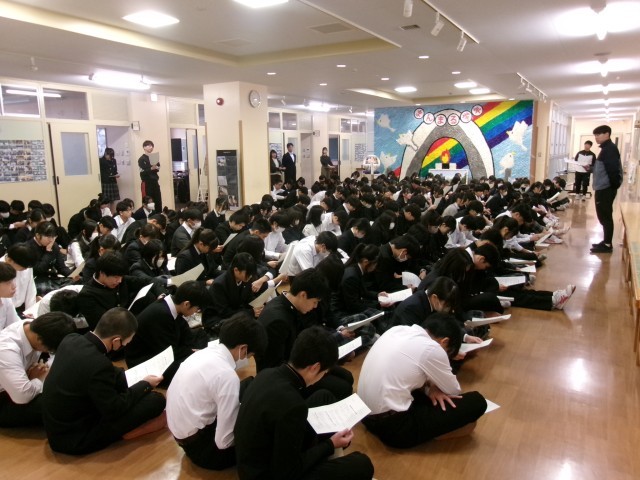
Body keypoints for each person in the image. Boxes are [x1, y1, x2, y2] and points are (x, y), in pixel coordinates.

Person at [234, 326, 375, 480]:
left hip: (254, 459)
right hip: (268, 474)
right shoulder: (293, 405)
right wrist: (330, 444)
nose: (324, 376)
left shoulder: (267, 374)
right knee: (362, 465)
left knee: (323, 396)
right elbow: (288, 472)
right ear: (315, 368)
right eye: (325, 372)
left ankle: (329, 446)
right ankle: (332, 446)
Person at [42, 308, 166, 455]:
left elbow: (107, 373)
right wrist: (145, 384)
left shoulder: (71, 339)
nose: (125, 346)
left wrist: (135, 379)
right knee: (156, 400)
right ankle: (126, 434)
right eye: (126, 342)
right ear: (116, 340)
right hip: (75, 437)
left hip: (57, 425)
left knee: (126, 386)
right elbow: (115, 408)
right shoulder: (98, 364)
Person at [358, 314, 487, 448]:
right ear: (444, 342)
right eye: (448, 354)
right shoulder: (432, 348)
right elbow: (453, 390)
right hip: (394, 429)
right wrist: (434, 386)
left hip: (364, 416)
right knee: (477, 401)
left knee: (424, 393)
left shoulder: (397, 330)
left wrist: (431, 387)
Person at [166, 313, 267, 470]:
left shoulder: (204, 353)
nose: (248, 360)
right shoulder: (227, 376)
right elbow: (223, 442)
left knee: (249, 386)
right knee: (263, 434)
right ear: (243, 349)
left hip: (182, 434)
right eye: (250, 355)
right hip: (205, 450)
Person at [125, 281, 210, 385]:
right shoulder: (160, 314)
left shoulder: (171, 305)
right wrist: (191, 352)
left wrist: (191, 351)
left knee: (201, 335)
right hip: (145, 360)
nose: (196, 312)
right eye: (197, 309)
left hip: (164, 346)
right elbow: (167, 352)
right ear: (186, 304)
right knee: (190, 367)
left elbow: (184, 331)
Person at [0, 312, 76, 427]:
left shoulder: (35, 328)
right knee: (60, 404)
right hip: (5, 397)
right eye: (50, 350)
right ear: (40, 340)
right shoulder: (6, 349)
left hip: (19, 384)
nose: (50, 352)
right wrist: (38, 379)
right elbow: (22, 396)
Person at [590, 125, 623, 254]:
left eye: (598, 134)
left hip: (605, 189)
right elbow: (602, 168)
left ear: (607, 134)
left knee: (605, 216)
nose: (596, 137)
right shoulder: (606, 148)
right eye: (595, 135)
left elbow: (613, 171)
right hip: (603, 187)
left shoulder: (609, 149)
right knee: (603, 216)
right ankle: (605, 241)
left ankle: (607, 244)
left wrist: (612, 186)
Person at [0, 243, 37, 311]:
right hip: (4, 309)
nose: (25, 269)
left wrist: (30, 310)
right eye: (23, 267)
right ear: (9, 260)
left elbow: (30, 289)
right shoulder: (1, 268)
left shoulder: (25, 265)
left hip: (21, 307)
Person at [138, 140, 163, 212]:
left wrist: (156, 167)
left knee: (158, 200)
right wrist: (151, 168)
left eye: (152, 146)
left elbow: (158, 168)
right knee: (148, 201)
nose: (151, 147)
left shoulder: (154, 157)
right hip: (147, 183)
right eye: (149, 146)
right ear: (144, 147)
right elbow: (142, 171)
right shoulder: (141, 159)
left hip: (155, 181)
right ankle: (149, 216)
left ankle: (158, 215)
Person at [0, 263, 21, 329]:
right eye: (8, 283)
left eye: (12, 281)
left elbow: (15, 324)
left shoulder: (5, 299)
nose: (14, 286)